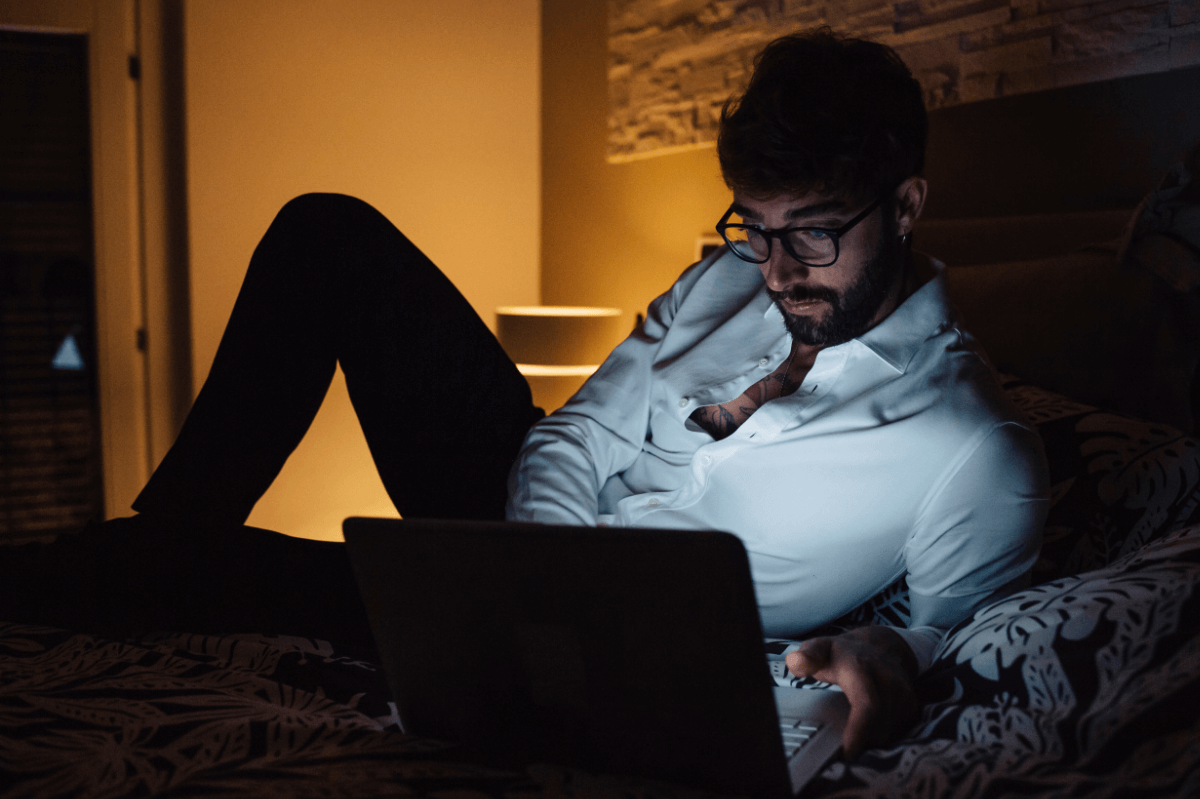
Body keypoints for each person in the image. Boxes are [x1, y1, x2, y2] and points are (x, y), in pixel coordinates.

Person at [1, 29, 1047, 761]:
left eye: (813, 232)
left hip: (635, 647)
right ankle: (164, 540)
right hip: (511, 527)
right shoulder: (722, 281)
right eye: (755, 227)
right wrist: (534, 574)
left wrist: (884, 653)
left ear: (906, 204)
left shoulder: (971, 444)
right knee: (327, 232)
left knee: (225, 581)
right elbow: (572, 438)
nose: (777, 270)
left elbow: (949, 637)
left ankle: (139, 560)